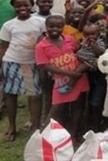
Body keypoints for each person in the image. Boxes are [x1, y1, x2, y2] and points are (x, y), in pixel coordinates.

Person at [0, 0, 46, 142]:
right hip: (12, 62)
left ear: (32, 5)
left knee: (34, 95)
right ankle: (12, 126)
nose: (22, 8)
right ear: (14, 7)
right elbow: (3, 47)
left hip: (30, 64)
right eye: (18, 6)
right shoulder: (9, 25)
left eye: (26, 5)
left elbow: (45, 42)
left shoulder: (40, 22)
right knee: (11, 94)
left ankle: (35, 127)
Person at [35, 15, 89, 144]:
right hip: (61, 82)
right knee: (56, 109)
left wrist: (77, 72)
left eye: (59, 26)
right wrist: (68, 73)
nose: (55, 29)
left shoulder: (70, 39)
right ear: (46, 27)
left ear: (63, 27)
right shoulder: (41, 46)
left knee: (78, 106)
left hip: (79, 79)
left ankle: (74, 134)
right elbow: (44, 65)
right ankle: (44, 138)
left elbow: (78, 54)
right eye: (51, 26)